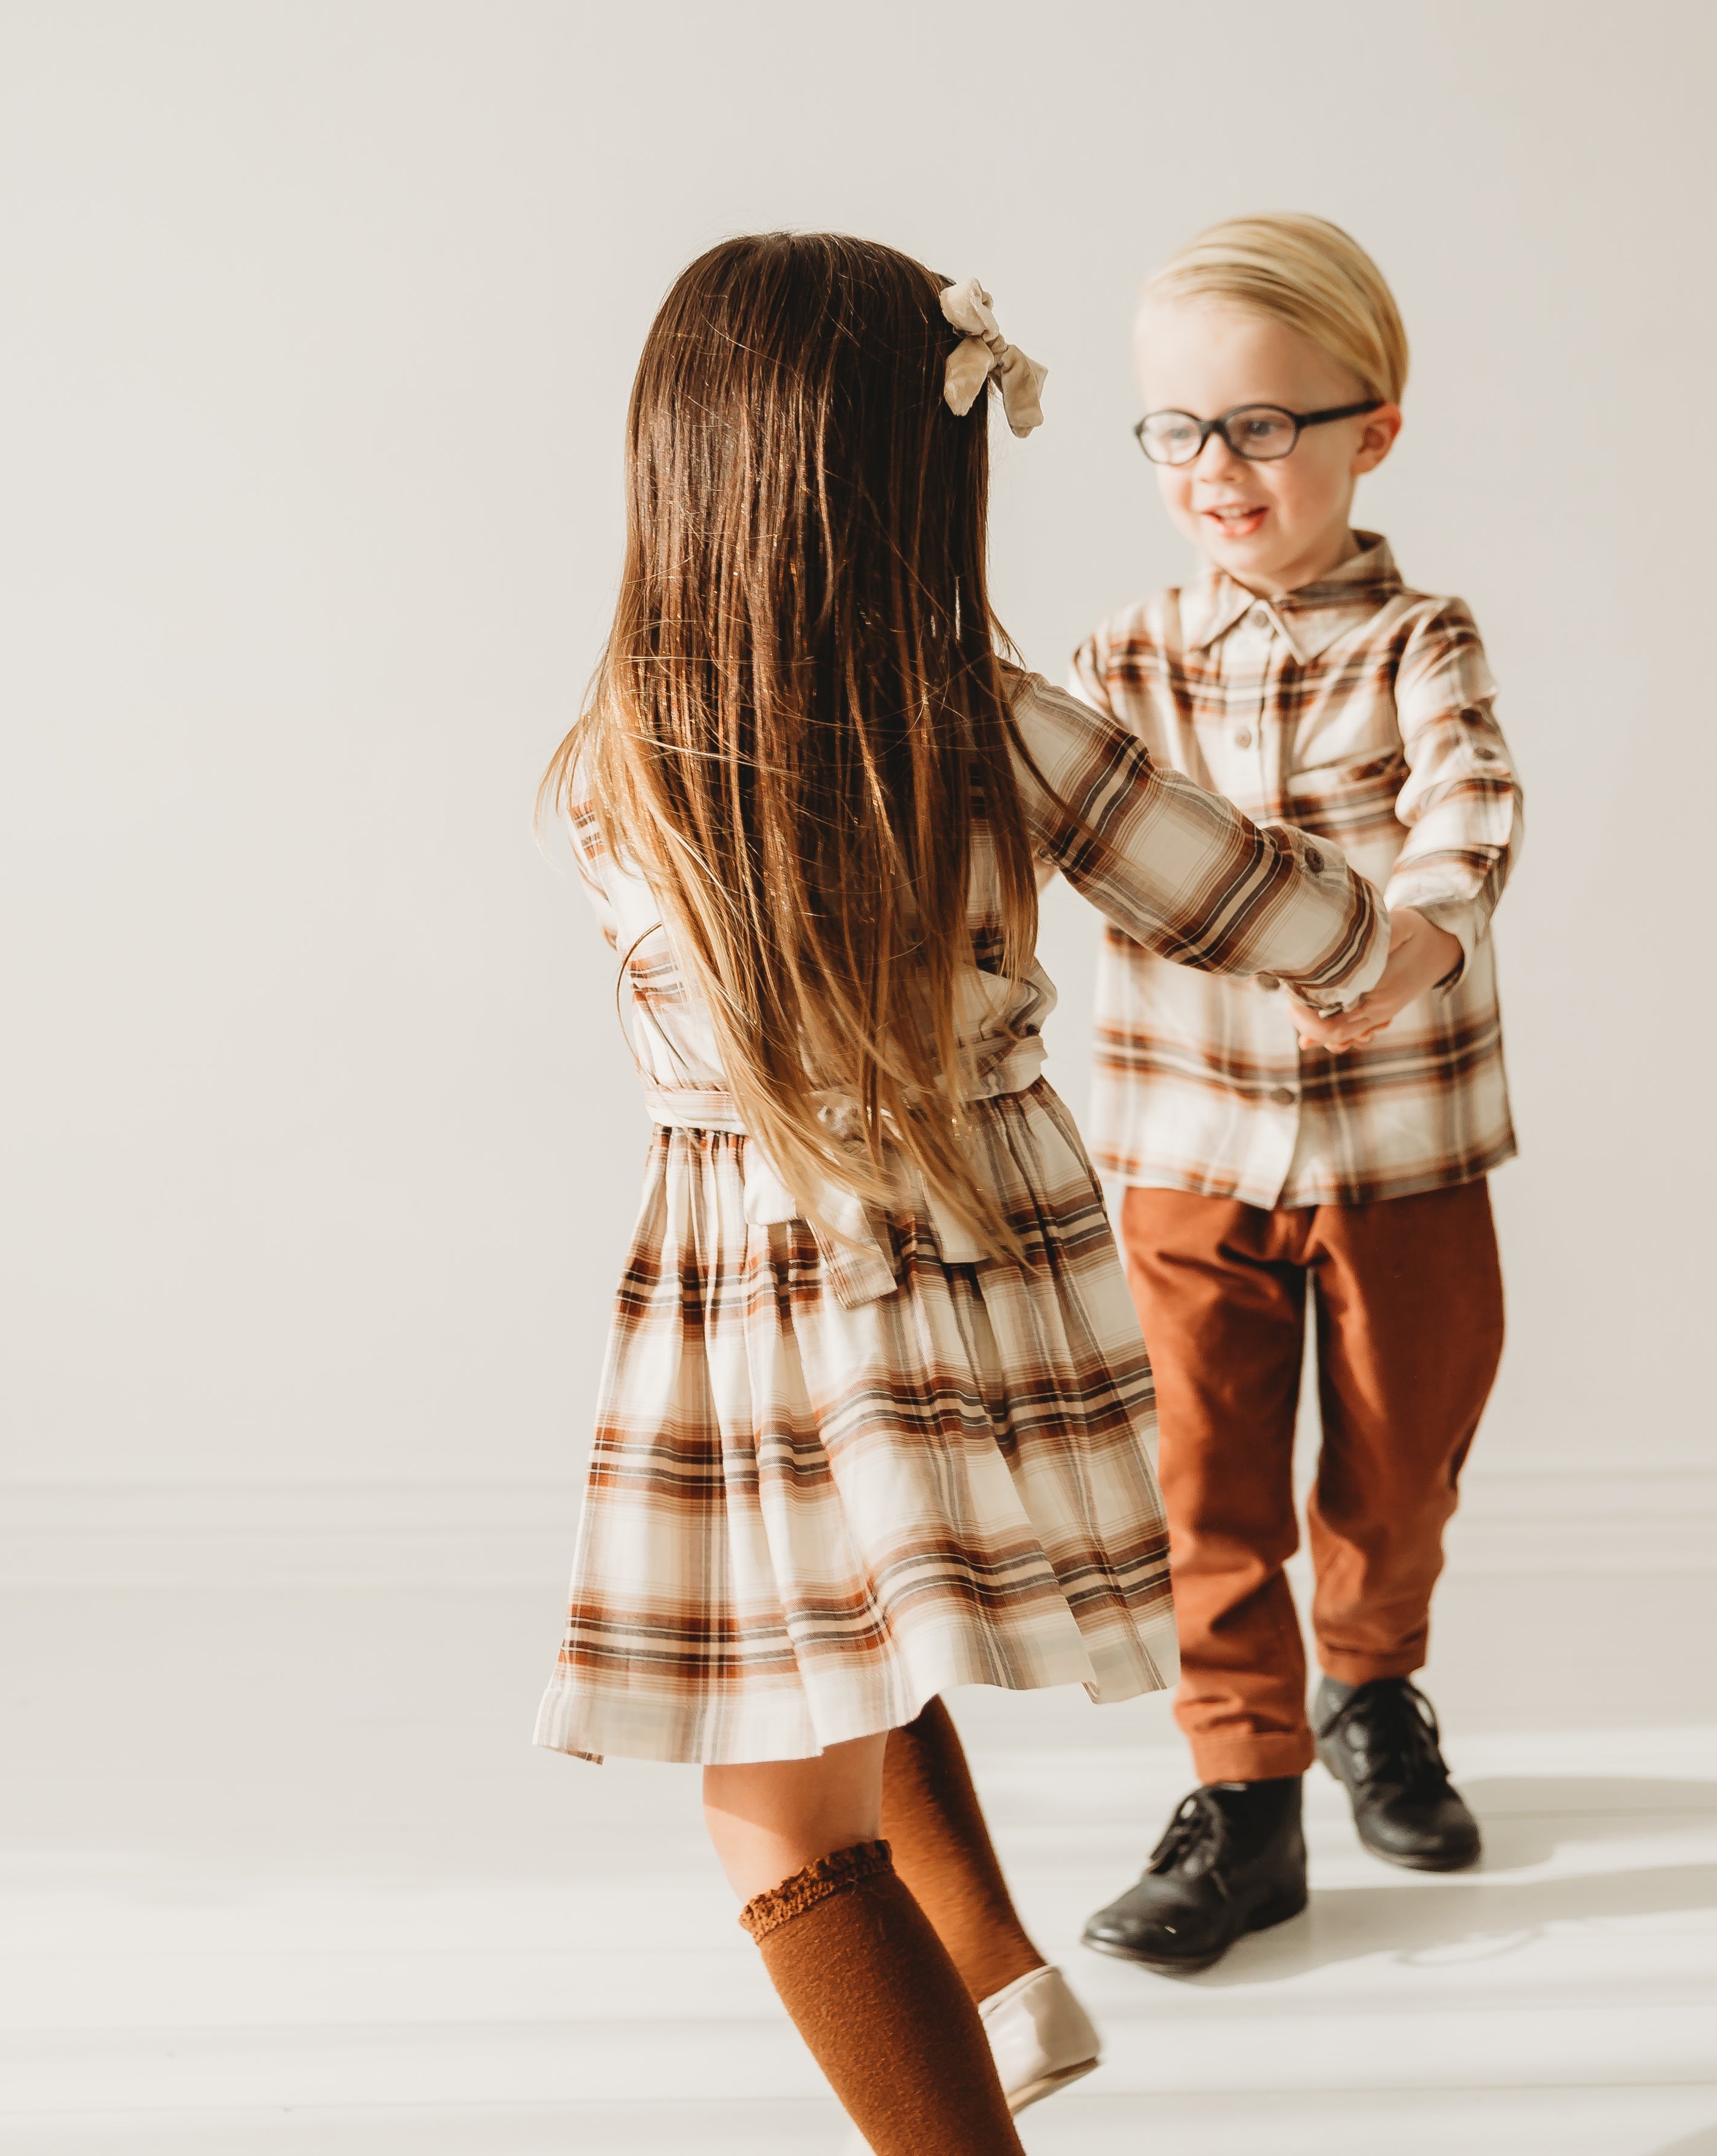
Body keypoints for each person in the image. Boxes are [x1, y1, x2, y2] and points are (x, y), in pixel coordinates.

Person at [533, 233, 1391, 2152]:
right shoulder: (985, 717)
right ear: (921, 486)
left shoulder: (622, 766)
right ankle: (1003, 1982)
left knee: (775, 1801)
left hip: (769, 1285)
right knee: (832, 1636)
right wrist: (1382, 952)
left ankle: (973, 2076)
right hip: (980, 1273)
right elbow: (1243, 889)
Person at [1072, 214, 1523, 1974]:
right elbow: (1049, 818)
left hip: (1405, 1149)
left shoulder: (1421, 638)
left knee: (1400, 1464)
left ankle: (1374, 1688)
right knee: (1204, 1482)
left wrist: (1418, 934)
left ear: (1369, 429)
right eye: (1179, 430)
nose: (1218, 468)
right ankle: (1243, 1795)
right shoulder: (1122, 661)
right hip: (1184, 1146)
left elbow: (1470, 801)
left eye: (1264, 425)